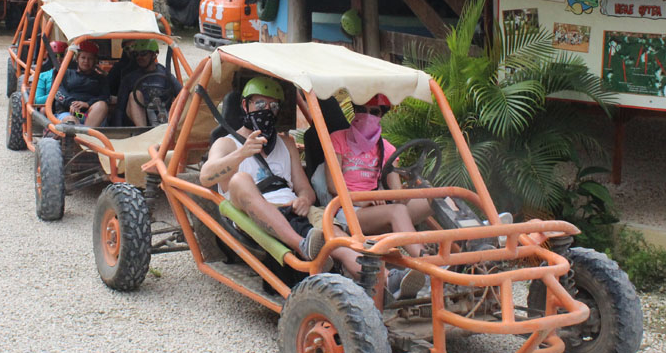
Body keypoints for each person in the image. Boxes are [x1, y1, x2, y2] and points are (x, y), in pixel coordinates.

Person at [200, 77, 362, 276]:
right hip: (253, 213)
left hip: (293, 209)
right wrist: (242, 153)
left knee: (337, 236)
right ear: (245, 105)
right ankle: (302, 245)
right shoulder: (227, 144)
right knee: (239, 179)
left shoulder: (286, 143)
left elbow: (305, 189)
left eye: (273, 106)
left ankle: (385, 281)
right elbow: (206, 177)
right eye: (260, 104)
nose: (266, 110)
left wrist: (304, 199)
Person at [325, 94, 431, 297]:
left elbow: (397, 194)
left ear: (381, 115)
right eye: (362, 110)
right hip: (349, 209)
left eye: (374, 112)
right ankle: (427, 267)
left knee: (435, 196)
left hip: (379, 211)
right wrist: (365, 197)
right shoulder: (338, 139)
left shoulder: (387, 148)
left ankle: (474, 242)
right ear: (355, 111)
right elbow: (332, 186)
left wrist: (411, 187)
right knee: (397, 211)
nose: (367, 116)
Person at [116, 39, 180, 126]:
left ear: (154, 54)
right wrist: (118, 130)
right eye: (136, 54)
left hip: (162, 115)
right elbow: (120, 108)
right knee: (135, 94)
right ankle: (143, 132)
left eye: (143, 53)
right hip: (139, 117)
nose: (139, 57)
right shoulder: (130, 77)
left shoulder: (165, 74)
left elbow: (182, 94)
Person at [53, 41, 110, 127]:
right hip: (70, 113)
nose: (86, 61)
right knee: (71, 120)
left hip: (88, 116)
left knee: (102, 105)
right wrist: (72, 104)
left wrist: (88, 104)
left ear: (95, 61)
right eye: (83, 58)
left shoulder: (101, 78)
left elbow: (105, 97)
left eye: (90, 58)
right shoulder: (66, 74)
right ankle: (83, 135)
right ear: (77, 59)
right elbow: (57, 92)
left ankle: (85, 135)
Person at [34, 40, 68, 106]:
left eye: (61, 55)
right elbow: (38, 100)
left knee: (83, 116)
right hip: (50, 110)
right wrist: (56, 95)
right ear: (50, 57)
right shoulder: (43, 76)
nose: (58, 59)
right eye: (55, 56)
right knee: (43, 110)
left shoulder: (74, 75)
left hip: (71, 111)